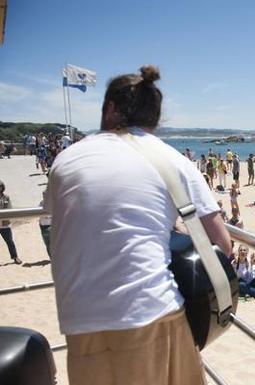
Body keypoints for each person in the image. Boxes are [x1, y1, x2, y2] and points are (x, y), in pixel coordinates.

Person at [44, 66, 229, 384]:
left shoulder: (65, 159)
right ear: (154, 118)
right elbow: (222, 246)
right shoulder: (171, 159)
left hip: (78, 319)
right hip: (149, 311)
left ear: (111, 109)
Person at [0, 180, 21, 264]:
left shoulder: (6, 197)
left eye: (0, 186)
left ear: (2, 187)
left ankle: (15, 257)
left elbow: (9, 208)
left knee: (10, 242)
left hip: (4, 224)